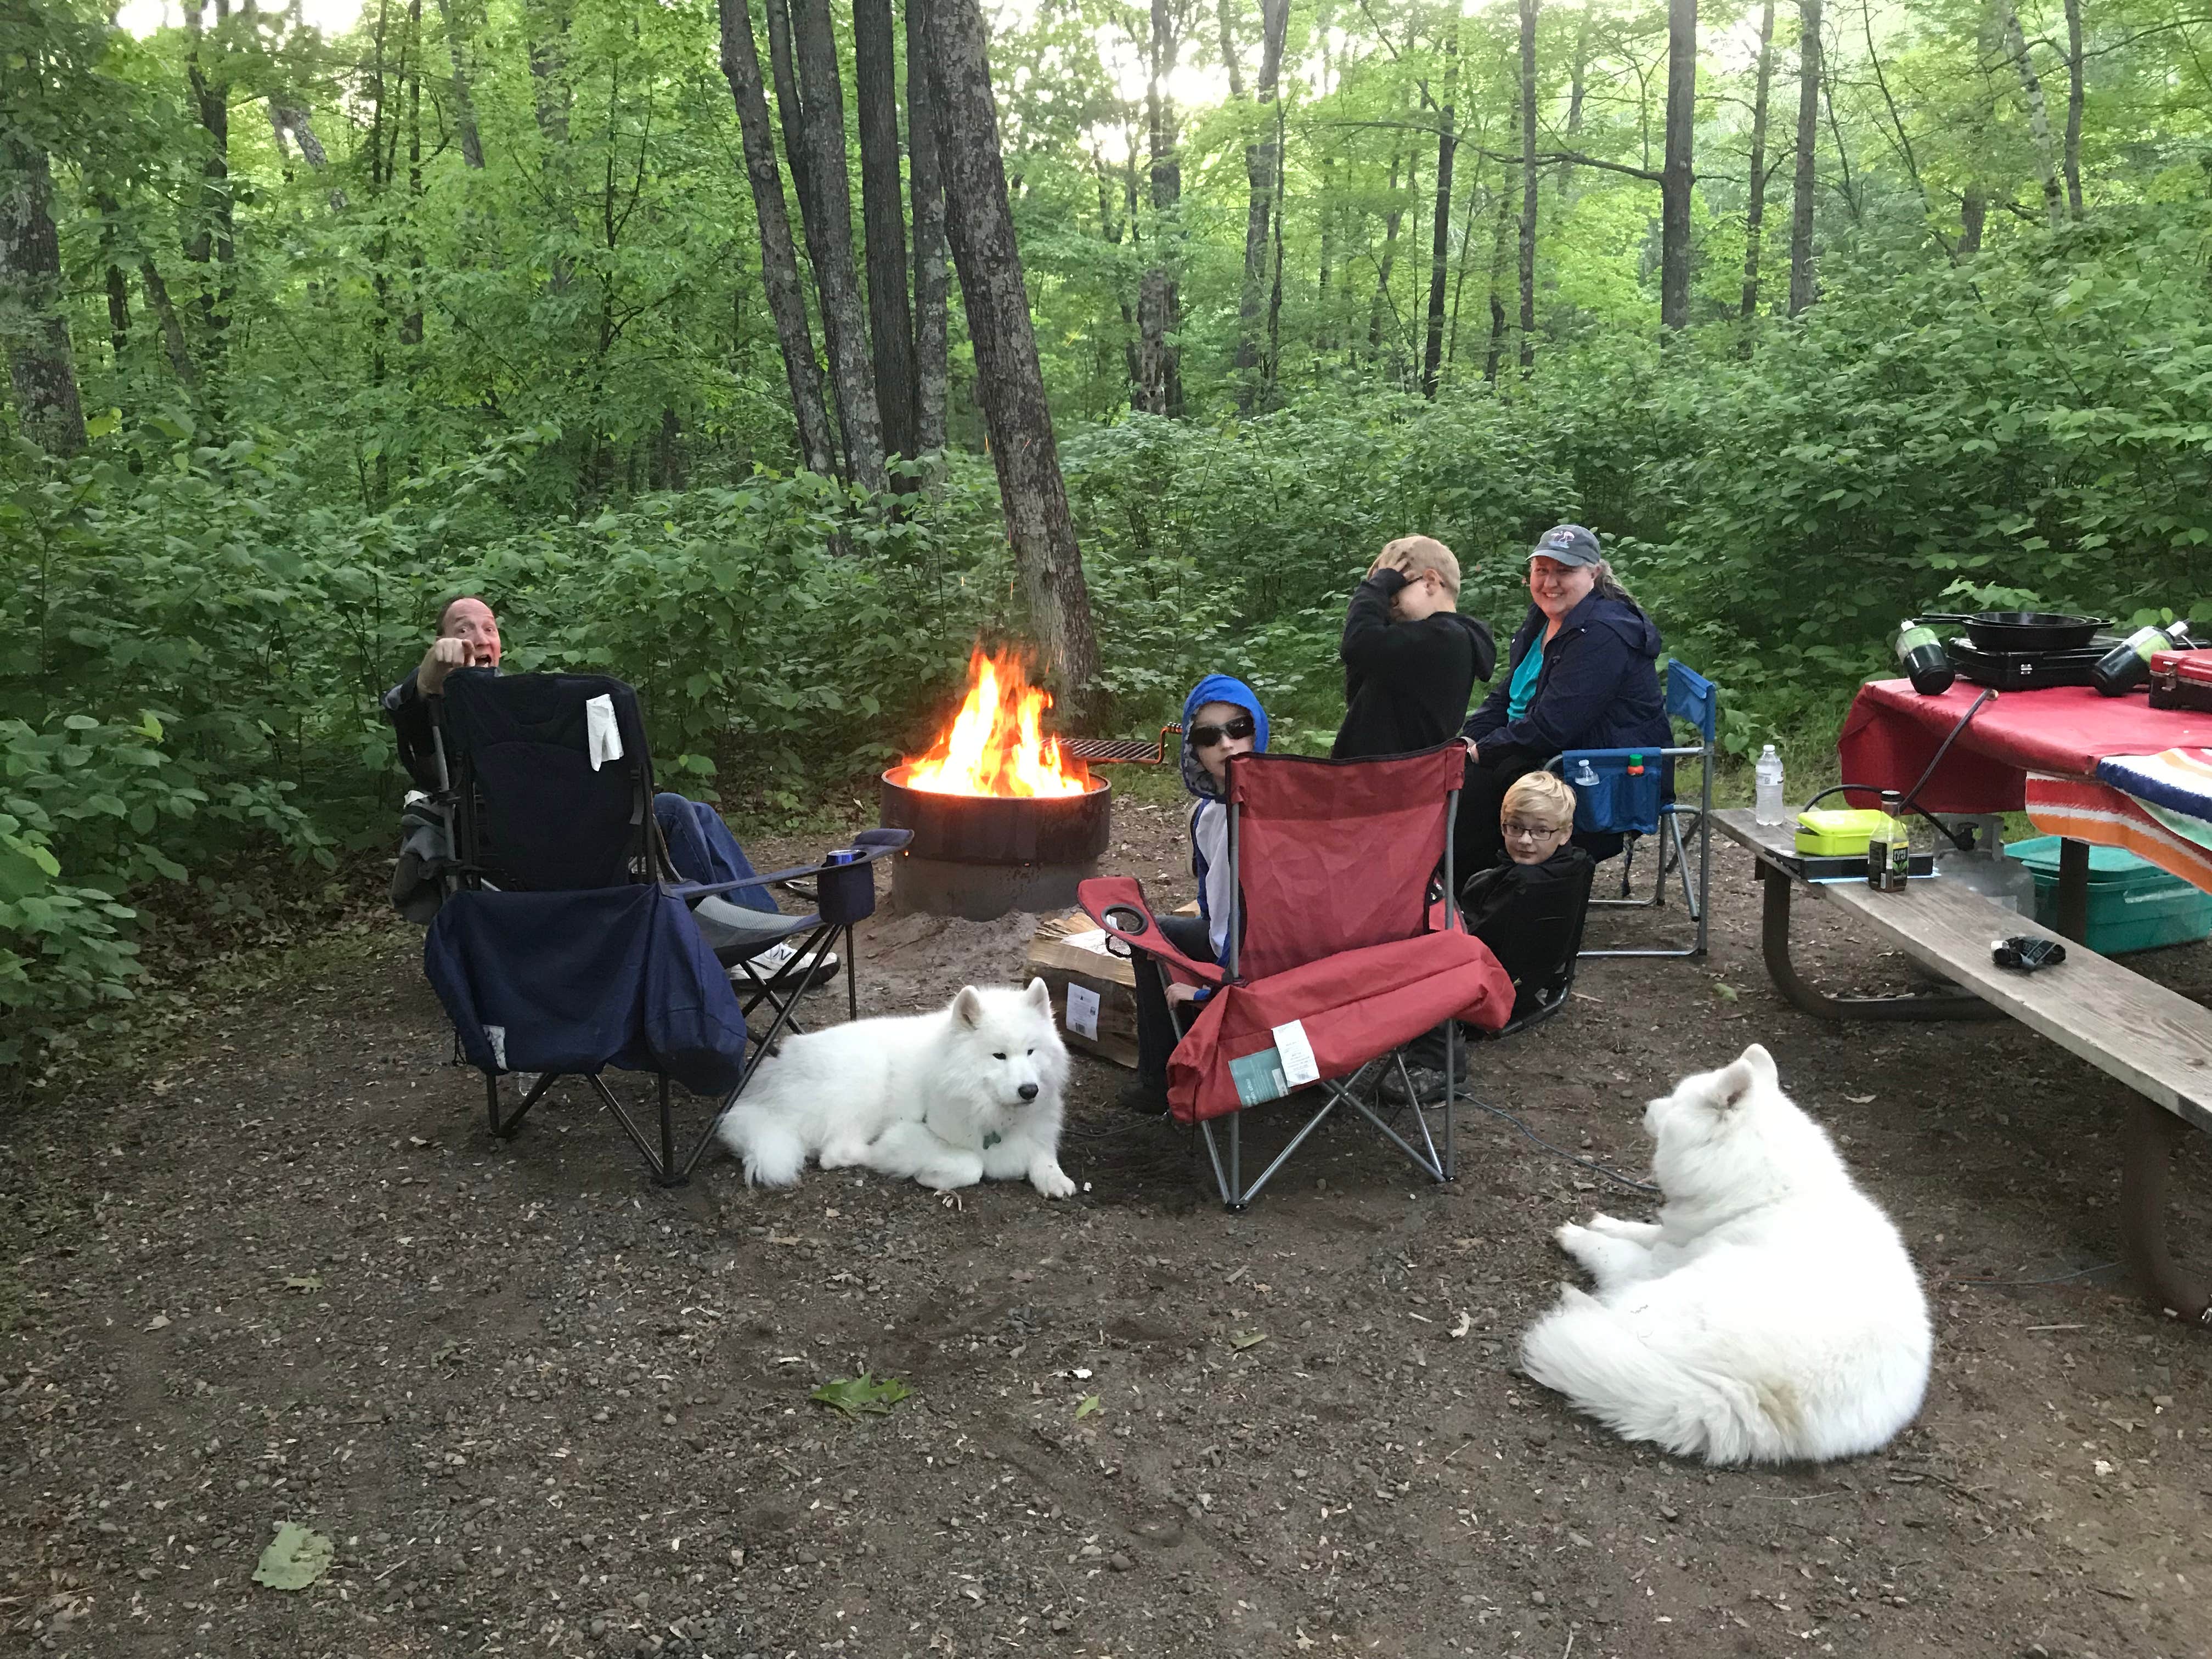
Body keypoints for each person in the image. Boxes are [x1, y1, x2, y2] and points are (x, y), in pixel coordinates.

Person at [379, 595, 833, 985]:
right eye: (463, 628)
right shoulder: (441, 710)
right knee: (673, 810)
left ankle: (761, 939)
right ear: (442, 642)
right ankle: (746, 949)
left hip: (565, 825)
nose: (480, 636)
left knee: (695, 811)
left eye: (490, 628)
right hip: (510, 844)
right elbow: (412, 721)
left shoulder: (517, 705)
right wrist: (428, 677)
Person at [1457, 524, 1669, 876]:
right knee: (1452, 779)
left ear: (1594, 573)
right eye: (1542, 570)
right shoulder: (1546, 617)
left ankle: (1492, 905)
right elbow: (1509, 693)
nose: (1550, 583)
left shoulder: (1602, 633)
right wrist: (1470, 737)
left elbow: (1554, 726)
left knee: (1466, 800)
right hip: (1546, 752)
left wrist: (1483, 751)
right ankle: (1469, 899)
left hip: (1599, 773)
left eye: (1564, 571)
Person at [1384, 770, 1593, 1105]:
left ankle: (1436, 1065)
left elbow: (1473, 941)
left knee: (1421, 950)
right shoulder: (1575, 867)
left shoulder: (1522, 884)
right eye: (1515, 828)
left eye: (1540, 831)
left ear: (1565, 832)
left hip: (1493, 985)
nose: (1525, 841)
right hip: (1535, 980)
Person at [1121, 675, 1268, 1114]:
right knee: (1149, 934)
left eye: (1239, 728)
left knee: (1170, 940)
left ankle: (1194, 1063)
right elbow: (1214, 908)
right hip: (1229, 948)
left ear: (1258, 729)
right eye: (1208, 736)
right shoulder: (1205, 815)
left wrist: (1212, 991)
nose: (1226, 744)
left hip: (1261, 969)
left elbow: (1280, 933)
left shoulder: (1283, 816)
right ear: (1195, 752)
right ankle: (1158, 1078)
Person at [1331, 536, 1496, 760]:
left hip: (1383, 780)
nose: (1388, 605)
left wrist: (1376, 587)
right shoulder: (1436, 640)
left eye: (1393, 590)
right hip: (1390, 777)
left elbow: (1357, 643)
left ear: (1430, 582)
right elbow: (1358, 678)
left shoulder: (1445, 638)